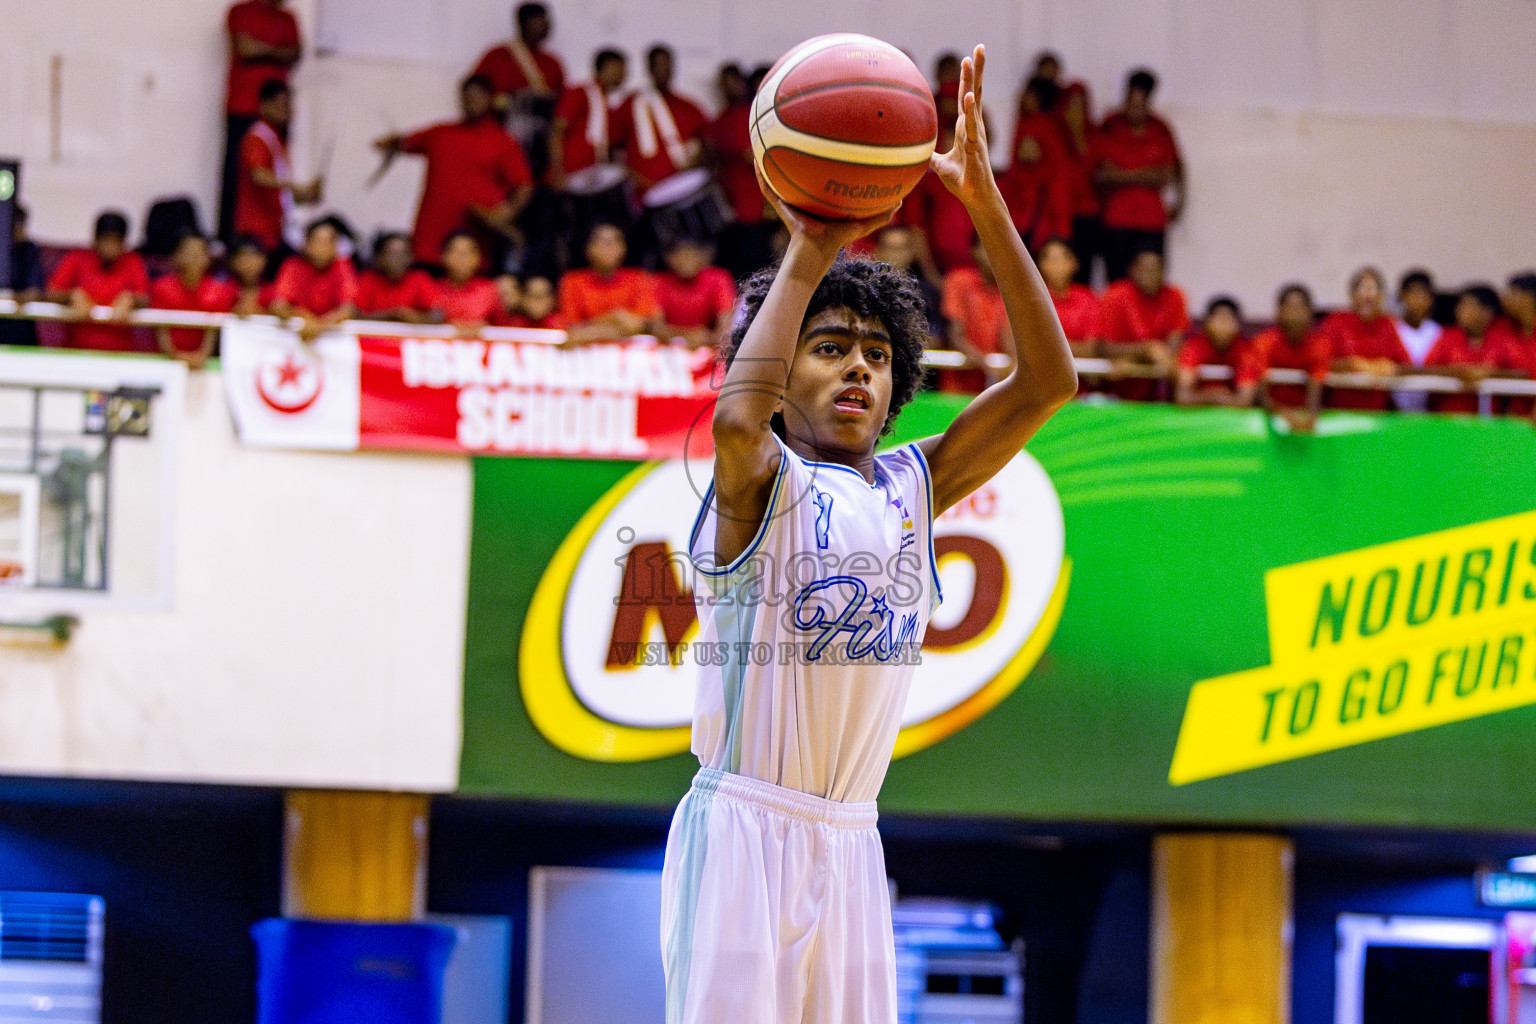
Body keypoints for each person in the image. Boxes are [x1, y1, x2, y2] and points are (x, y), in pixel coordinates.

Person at [662, 45, 1076, 1024]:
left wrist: (984, 207)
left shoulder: (910, 485)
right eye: (830, 347)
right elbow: (733, 423)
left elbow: (1049, 380)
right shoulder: (761, 479)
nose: (859, 370)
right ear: (779, 367)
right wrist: (810, 244)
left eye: (878, 356)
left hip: (851, 840)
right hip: (742, 831)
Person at [375, 76, 535, 269]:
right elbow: (402, 142)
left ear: (489, 98)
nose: (471, 100)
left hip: (472, 247)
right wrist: (387, 142)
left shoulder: (502, 141)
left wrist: (504, 214)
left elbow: (524, 185)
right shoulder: (441, 134)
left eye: (478, 95)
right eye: (467, 95)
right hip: (429, 242)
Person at [1091, 68, 1184, 282]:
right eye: (1130, 100)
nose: (1134, 107)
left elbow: (1165, 175)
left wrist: (1122, 175)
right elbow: (1102, 175)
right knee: (1116, 281)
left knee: (1151, 281)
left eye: (1140, 102)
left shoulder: (1160, 128)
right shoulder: (1111, 124)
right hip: (1116, 218)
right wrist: (1145, 175)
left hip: (1151, 220)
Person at [220, 0, 301, 242]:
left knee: (277, 171)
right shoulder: (241, 12)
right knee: (238, 179)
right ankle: (233, 241)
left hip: (277, 109)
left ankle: (276, 233)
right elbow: (245, 49)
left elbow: (294, 53)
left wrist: (261, 50)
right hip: (243, 106)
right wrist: (278, 52)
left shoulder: (288, 19)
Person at [234, 80, 321, 252]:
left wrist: (305, 194)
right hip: (255, 229)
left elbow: (280, 192)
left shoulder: (277, 139)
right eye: (281, 104)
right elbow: (258, 175)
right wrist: (293, 186)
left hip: (275, 227)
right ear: (264, 105)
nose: (286, 111)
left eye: (288, 105)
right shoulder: (258, 136)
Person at [45, 211, 149, 352]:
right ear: (95, 239)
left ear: (124, 243)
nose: (110, 247)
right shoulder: (77, 258)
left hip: (120, 353)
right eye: (106, 240)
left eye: (116, 241)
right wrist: (71, 296)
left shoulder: (132, 262)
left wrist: (131, 300)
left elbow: (145, 299)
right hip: (77, 350)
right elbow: (51, 293)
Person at [707, 62, 773, 279]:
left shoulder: (746, 114)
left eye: (734, 81)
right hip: (735, 206)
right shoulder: (726, 118)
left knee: (754, 267)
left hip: (753, 205)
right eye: (725, 83)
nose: (730, 87)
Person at [616, 45, 708, 195]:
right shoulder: (632, 104)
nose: (663, 70)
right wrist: (632, 177)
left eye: (667, 65)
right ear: (649, 69)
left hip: (683, 191)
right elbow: (613, 152)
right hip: (644, 195)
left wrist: (695, 162)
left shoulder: (689, 108)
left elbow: (708, 148)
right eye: (658, 65)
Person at [1096, 247, 1187, 399]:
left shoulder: (1175, 296)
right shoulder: (1115, 295)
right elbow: (1105, 348)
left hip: (1157, 386)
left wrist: (1131, 361)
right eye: (1144, 268)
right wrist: (1147, 350)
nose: (1149, 274)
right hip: (1116, 387)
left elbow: (1171, 350)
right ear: (1132, 270)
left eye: (1155, 268)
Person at [1423, 284, 1526, 414]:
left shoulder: (1502, 339)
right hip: (1447, 419)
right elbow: (1427, 369)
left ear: (1487, 312)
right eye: (1460, 306)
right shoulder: (1447, 336)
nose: (1460, 311)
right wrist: (1458, 373)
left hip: (1489, 422)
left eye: (1468, 306)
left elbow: (1522, 373)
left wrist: (1489, 374)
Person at [1322, 267, 1409, 410]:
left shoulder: (1387, 324)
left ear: (1381, 296)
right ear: (1352, 294)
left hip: (1377, 411)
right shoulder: (1335, 322)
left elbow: (1403, 365)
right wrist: (1350, 365)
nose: (1368, 296)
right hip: (1340, 409)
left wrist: (1388, 367)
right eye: (1362, 289)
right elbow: (1319, 362)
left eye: (1373, 290)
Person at [1000, 77, 1071, 251]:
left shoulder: (1035, 124)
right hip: (1048, 202)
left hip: (1033, 206)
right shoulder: (1052, 125)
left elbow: (1027, 154)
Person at [557, 223, 658, 343]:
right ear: (588, 249)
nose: (610, 247)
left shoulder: (639, 278)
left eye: (616, 241)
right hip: (585, 354)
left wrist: (588, 332)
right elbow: (572, 329)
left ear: (624, 248)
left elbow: (640, 325)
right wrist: (616, 317)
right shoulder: (571, 281)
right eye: (603, 241)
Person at [149, 231, 238, 368]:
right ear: (177, 256)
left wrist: (201, 356)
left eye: (199, 253)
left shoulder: (218, 289)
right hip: (166, 361)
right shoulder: (162, 287)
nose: (194, 258)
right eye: (188, 252)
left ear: (208, 258)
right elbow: (161, 331)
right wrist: (176, 356)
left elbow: (212, 332)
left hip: (203, 362)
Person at [1250, 283, 1330, 430]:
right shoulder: (1264, 342)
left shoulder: (1320, 345)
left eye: (1300, 308)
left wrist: (1309, 418)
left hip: (1302, 414)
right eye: (1290, 308)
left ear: (1310, 312)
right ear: (1279, 312)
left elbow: (1316, 386)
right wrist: (1286, 415)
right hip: (1270, 416)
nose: (1295, 314)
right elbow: (1261, 392)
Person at [941, 234, 1011, 393]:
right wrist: (987, 365)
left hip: (997, 387)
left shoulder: (1010, 290)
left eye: (1001, 250)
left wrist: (1013, 366)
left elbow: (1008, 340)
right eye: (988, 249)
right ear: (975, 251)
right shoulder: (958, 280)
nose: (995, 255)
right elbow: (955, 336)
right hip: (958, 386)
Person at [548, 49, 627, 189]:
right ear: (604, 67)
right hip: (572, 174)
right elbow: (557, 132)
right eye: (618, 68)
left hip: (592, 173)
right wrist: (558, 173)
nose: (623, 74)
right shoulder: (579, 93)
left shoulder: (605, 104)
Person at [271, 217, 357, 341]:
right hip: (296, 338)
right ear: (306, 244)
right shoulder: (292, 266)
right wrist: (305, 318)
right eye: (318, 241)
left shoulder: (343, 266)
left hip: (331, 340)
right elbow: (278, 306)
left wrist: (318, 326)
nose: (323, 248)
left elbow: (348, 309)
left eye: (329, 242)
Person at [1175, 296, 1258, 407]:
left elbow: (1245, 401)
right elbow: (1182, 397)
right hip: (1197, 415)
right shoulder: (1194, 347)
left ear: (1238, 325)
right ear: (1206, 323)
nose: (1223, 326)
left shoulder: (1245, 351)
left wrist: (1202, 397)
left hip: (1231, 417)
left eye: (1228, 320)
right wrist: (1214, 395)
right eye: (1218, 319)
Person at [654, 237, 736, 349]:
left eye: (692, 254)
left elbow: (726, 329)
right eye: (680, 255)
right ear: (669, 258)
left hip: (709, 349)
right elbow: (656, 329)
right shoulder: (658, 282)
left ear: (704, 257)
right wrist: (688, 335)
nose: (686, 260)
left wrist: (706, 338)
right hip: (670, 350)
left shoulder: (719, 278)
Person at [874, 224, 944, 344]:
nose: (894, 255)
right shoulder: (865, 289)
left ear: (911, 252)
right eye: (888, 247)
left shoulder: (927, 292)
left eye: (900, 248)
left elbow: (936, 337)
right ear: (878, 251)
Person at [355, 232, 440, 323]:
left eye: (403, 254)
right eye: (392, 254)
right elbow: (356, 314)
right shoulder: (368, 279)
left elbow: (438, 315)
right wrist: (392, 315)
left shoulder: (419, 279)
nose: (398, 259)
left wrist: (417, 318)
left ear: (411, 257)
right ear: (380, 258)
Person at [1034, 237, 1098, 355]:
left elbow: (1091, 348)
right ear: (1039, 264)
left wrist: (1047, 348)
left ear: (1074, 263)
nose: (1056, 265)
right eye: (1050, 259)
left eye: (1062, 258)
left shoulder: (1087, 299)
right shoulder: (1031, 298)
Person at [1391, 268, 1442, 412]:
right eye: (1412, 293)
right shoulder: (1392, 329)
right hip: (1394, 409)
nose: (1417, 299)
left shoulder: (1437, 332)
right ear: (1402, 296)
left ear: (1431, 299)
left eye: (1422, 294)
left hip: (1430, 411)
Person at [435, 232, 502, 334]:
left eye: (467, 252)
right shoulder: (430, 288)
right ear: (442, 256)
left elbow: (502, 326)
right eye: (455, 251)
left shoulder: (489, 290)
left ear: (478, 258)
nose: (461, 258)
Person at [1490, 272, 1536, 415]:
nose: (1505, 299)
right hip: (1511, 418)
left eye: (1511, 294)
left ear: (1527, 298)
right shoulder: (1500, 328)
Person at [1, 205, 44, 347]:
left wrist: (13, 297)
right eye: (14, 224)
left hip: (20, 328)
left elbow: (34, 293)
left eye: (21, 224)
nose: (19, 229)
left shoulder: (29, 249)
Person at [228, 235, 276, 316]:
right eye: (244, 256)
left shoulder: (274, 293)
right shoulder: (222, 290)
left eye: (254, 255)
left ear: (264, 259)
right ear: (233, 261)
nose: (249, 263)